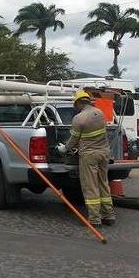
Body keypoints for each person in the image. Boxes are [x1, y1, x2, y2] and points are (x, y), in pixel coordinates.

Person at [58, 91, 115, 227]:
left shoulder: (79, 118)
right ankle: (109, 215)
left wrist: (64, 148)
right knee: (103, 183)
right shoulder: (100, 113)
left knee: (91, 186)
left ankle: (95, 219)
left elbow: (74, 140)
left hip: (89, 155)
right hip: (104, 153)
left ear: (78, 103)